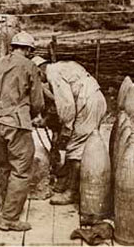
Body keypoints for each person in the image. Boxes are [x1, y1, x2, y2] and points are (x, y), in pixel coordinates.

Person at [0, 31, 44, 231]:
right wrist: (33, 114)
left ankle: (5, 208)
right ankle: (9, 219)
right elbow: (37, 101)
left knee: (4, 167)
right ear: (28, 49)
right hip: (17, 124)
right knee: (21, 170)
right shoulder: (29, 66)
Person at [31, 56, 107, 205]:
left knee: (76, 147)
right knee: (83, 144)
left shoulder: (53, 75)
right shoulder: (61, 67)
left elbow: (67, 107)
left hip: (88, 103)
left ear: (39, 71)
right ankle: (70, 180)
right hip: (95, 99)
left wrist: (66, 129)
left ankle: (71, 192)